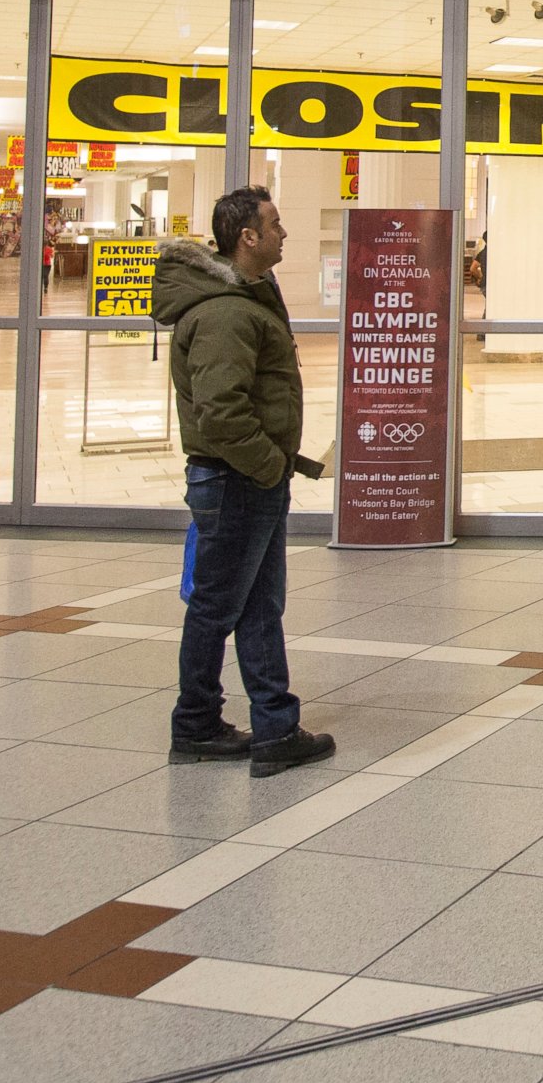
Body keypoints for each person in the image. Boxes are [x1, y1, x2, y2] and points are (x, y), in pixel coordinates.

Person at [153, 186, 334, 778]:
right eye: (276, 225)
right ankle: (197, 724)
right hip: (236, 480)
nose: (286, 234)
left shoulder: (245, 298)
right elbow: (221, 412)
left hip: (246, 478)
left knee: (257, 605)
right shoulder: (227, 311)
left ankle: (275, 725)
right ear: (248, 238)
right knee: (216, 606)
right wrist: (267, 467)